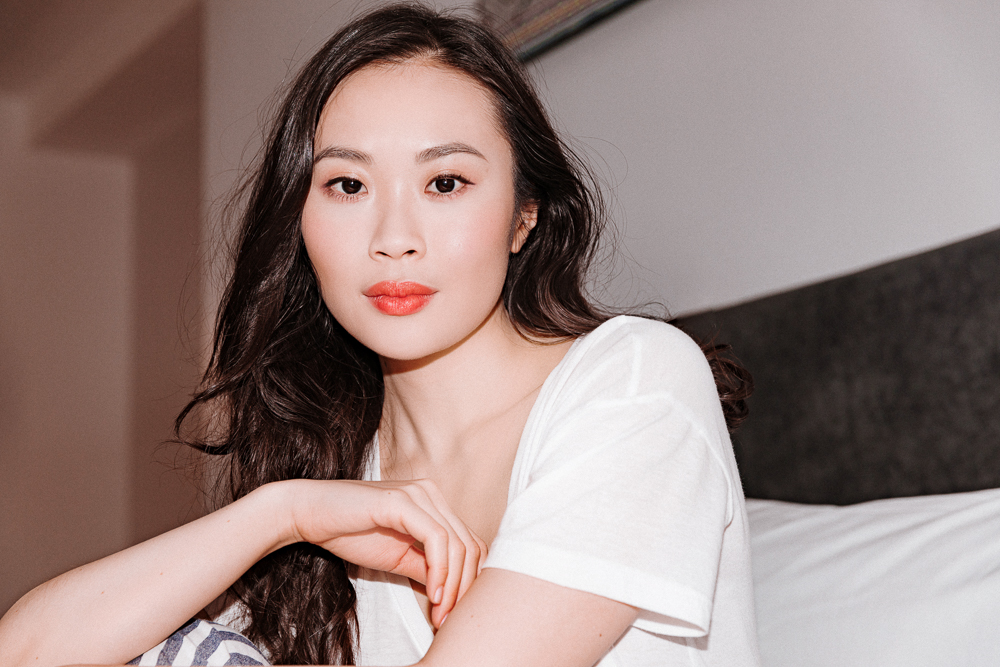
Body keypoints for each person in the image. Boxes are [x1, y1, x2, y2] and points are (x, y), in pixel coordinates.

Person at [0, 4, 760, 666]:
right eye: (348, 185)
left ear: (524, 214)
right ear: (301, 222)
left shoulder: (635, 382)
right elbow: (26, 652)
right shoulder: (337, 476)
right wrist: (281, 513)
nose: (394, 238)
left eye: (445, 183)